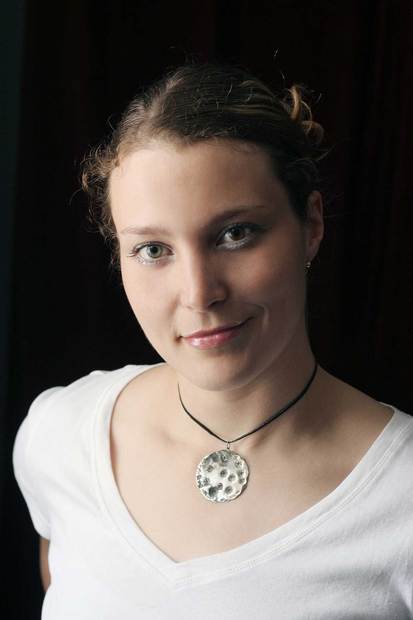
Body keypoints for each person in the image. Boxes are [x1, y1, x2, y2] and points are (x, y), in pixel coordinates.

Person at [12, 62, 413, 618]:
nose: (199, 294)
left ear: (312, 224)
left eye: (235, 233)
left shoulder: (402, 498)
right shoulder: (61, 435)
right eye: (153, 250)